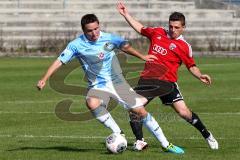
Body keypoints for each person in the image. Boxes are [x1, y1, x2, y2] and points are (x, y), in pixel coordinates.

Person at [37, 14, 185, 154]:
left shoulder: (108, 38)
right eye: (90, 31)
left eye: (96, 29)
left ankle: (166, 144)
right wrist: (45, 78)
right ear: (83, 31)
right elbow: (59, 61)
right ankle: (118, 132)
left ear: (99, 26)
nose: (94, 33)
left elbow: (125, 46)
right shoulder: (76, 45)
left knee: (140, 112)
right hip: (97, 85)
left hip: (117, 82)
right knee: (91, 102)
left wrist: (142, 56)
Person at [117, 2, 219, 151]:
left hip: (167, 83)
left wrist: (200, 75)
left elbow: (191, 65)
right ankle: (140, 141)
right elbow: (140, 28)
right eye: (171, 26)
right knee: (134, 107)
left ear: (183, 27)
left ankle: (207, 134)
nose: (173, 30)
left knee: (184, 113)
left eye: (177, 27)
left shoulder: (184, 46)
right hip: (148, 80)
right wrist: (126, 14)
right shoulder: (157, 32)